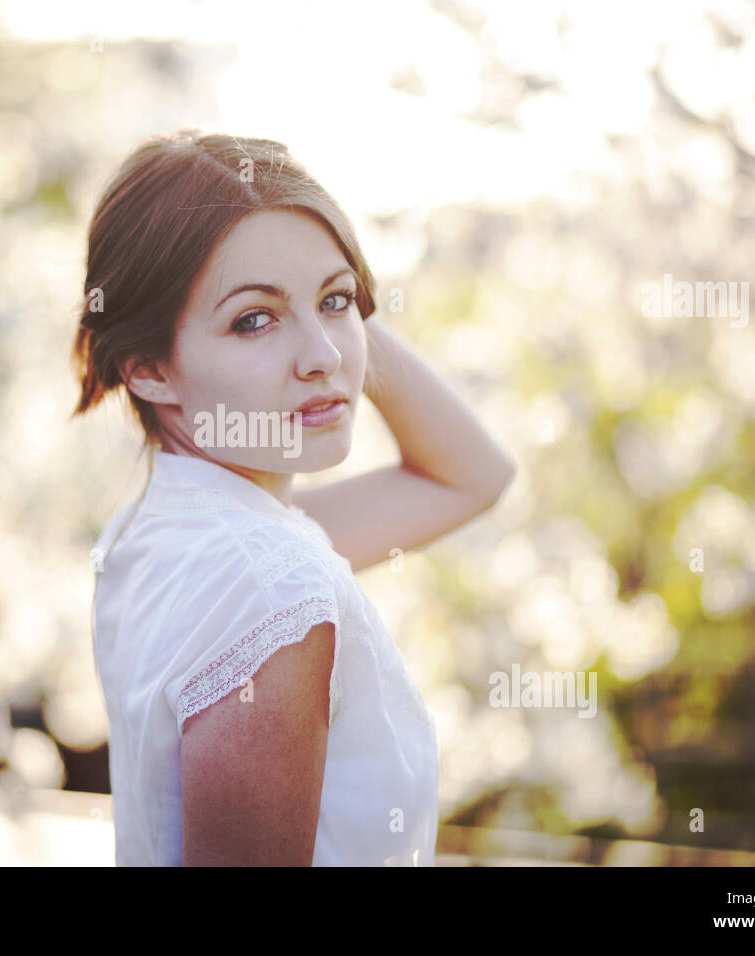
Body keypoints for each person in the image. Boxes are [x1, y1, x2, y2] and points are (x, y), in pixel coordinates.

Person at [70, 130, 516, 865]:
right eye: (254, 319)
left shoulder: (169, 533)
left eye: (339, 302)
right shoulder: (270, 583)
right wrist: (318, 288)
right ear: (148, 368)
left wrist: (308, 287)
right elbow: (474, 476)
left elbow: (471, 474)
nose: (327, 357)